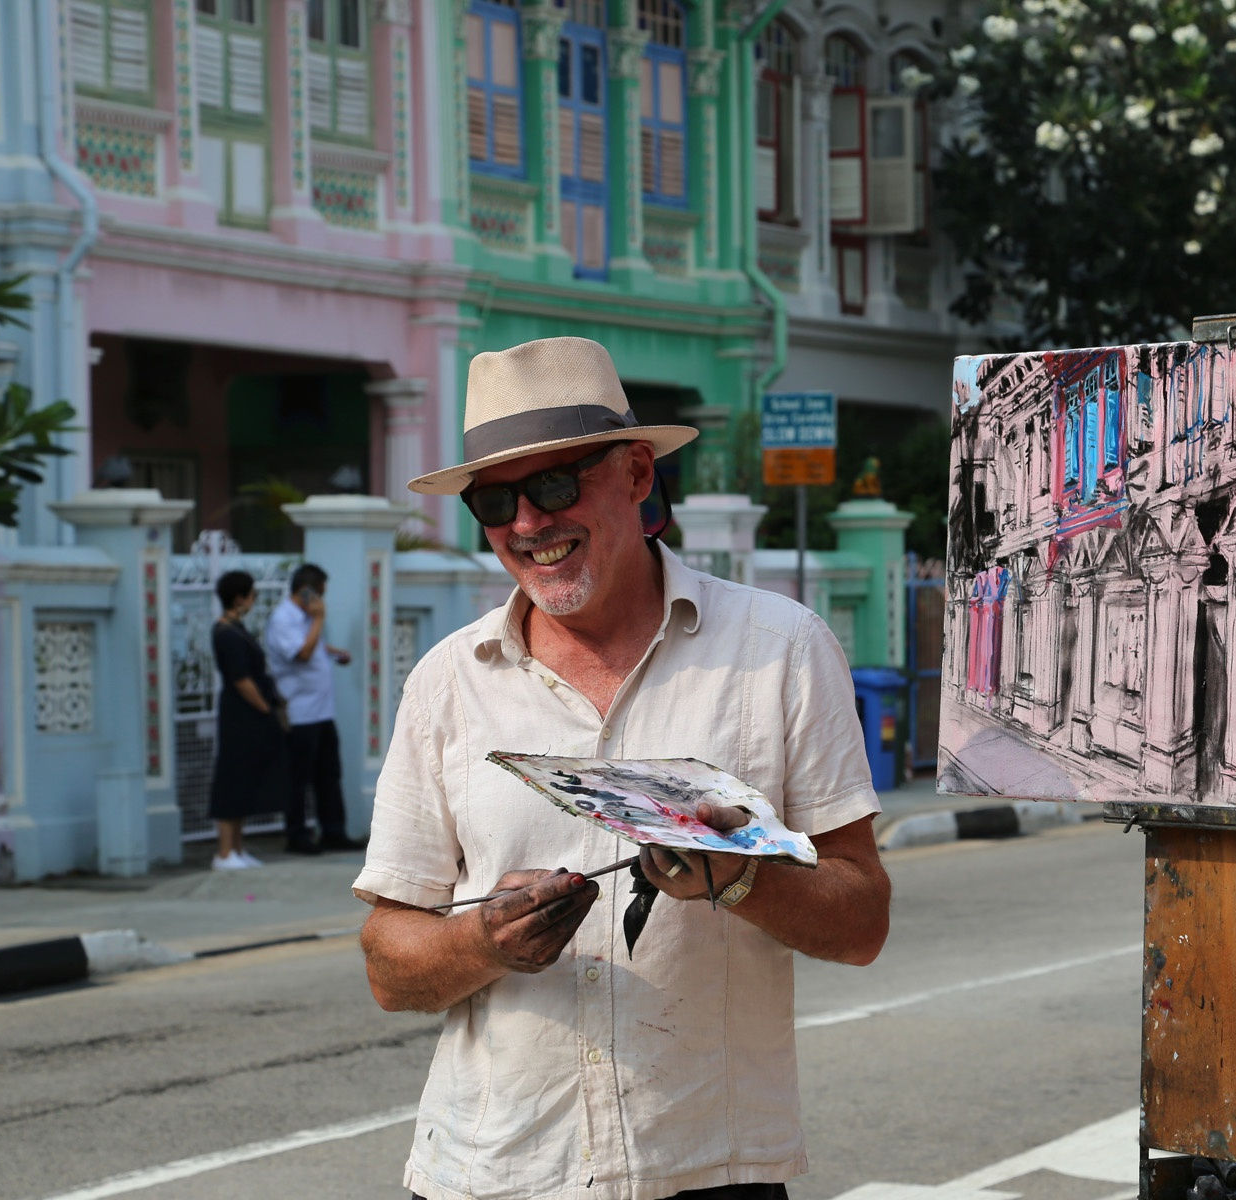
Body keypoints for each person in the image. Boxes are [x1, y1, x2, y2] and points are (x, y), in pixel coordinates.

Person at [353, 336, 890, 1200]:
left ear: (638, 474)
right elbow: (388, 961)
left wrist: (741, 878)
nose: (529, 523)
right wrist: (480, 939)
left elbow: (862, 918)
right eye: (496, 500)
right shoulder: (448, 684)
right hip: (495, 1172)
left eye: (558, 484)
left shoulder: (778, 650)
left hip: (709, 1168)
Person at [264, 563, 360, 854]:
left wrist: (333, 652)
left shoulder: (305, 618)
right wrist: (319, 619)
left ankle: (333, 831)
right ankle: (297, 835)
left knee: (328, 774)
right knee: (298, 777)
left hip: (321, 711)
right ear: (306, 592)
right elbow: (302, 653)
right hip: (300, 712)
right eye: (319, 594)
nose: (322, 601)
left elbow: (313, 647)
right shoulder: (284, 619)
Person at [208, 570, 287, 871]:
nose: (253, 600)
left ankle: (237, 849)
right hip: (240, 716)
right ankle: (225, 852)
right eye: (251, 594)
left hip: (248, 714)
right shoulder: (225, 633)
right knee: (231, 778)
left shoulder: (236, 628)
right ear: (239, 597)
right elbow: (242, 680)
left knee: (243, 780)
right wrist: (265, 709)